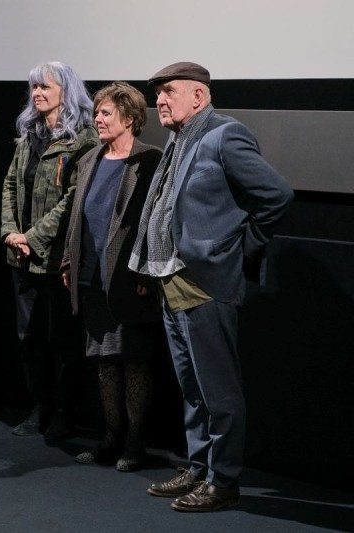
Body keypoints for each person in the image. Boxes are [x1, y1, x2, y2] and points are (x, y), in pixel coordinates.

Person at [128, 62, 294, 511]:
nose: (158, 100)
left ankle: (224, 480)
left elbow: (276, 195)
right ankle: (200, 468)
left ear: (198, 96)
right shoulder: (179, 139)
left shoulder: (224, 134)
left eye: (167, 92)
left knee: (218, 390)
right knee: (192, 387)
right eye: (157, 93)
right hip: (170, 280)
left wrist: (235, 251)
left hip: (203, 282)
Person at [61, 82, 162, 472]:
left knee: (134, 361)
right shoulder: (89, 159)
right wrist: (70, 262)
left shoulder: (149, 161)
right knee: (104, 361)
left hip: (129, 279)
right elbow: (78, 217)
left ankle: (135, 443)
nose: (97, 119)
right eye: (97, 113)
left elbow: (156, 223)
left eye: (106, 113)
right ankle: (110, 436)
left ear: (131, 118)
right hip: (92, 279)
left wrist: (148, 273)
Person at [0, 61, 99, 442]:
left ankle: (64, 414)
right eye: (33, 88)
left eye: (45, 87)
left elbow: (75, 198)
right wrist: (11, 232)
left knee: (63, 341)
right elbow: (10, 185)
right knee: (29, 339)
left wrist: (34, 236)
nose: (37, 94)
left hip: (59, 259)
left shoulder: (84, 138)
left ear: (66, 92)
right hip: (21, 256)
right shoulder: (29, 136)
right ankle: (40, 407)